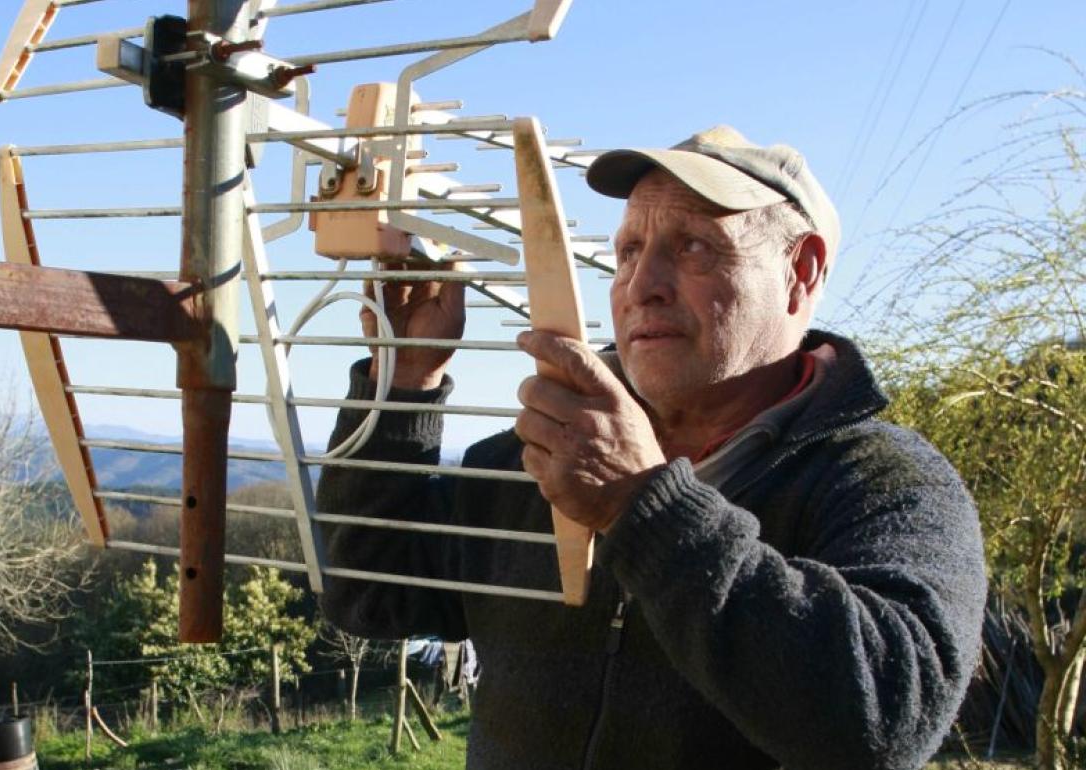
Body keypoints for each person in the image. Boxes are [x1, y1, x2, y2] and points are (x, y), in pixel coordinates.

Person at [317, 125, 987, 770]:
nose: (643, 286)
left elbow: (886, 722)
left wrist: (644, 504)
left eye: (694, 245)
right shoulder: (542, 454)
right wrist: (401, 381)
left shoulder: (885, 481)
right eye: (630, 251)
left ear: (800, 270)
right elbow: (370, 591)